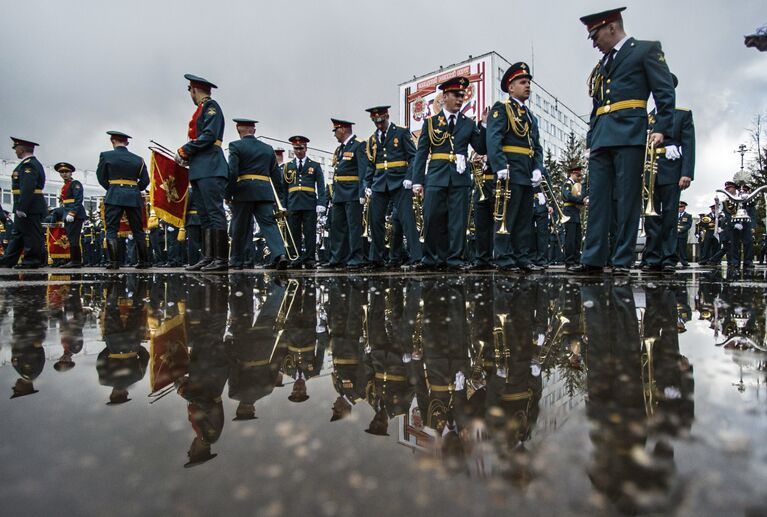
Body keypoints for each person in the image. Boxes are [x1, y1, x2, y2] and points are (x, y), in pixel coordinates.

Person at [571, 6, 676, 275]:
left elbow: (664, 92)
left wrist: (662, 127)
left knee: (628, 199)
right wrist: (590, 141)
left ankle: (622, 260)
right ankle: (593, 258)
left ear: (611, 28)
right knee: (597, 199)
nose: (594, 43)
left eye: (595, 36)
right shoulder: (602, 64)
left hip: (629, 134)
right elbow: (597, 105)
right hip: (602, 136)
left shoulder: (645, 50)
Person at [411, 76, 487, 270]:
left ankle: (455, 259)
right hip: (436, 176)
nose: (460, 99)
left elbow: (481, 147)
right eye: (456, 95)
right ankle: (430, 258)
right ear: (444, 97)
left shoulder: (468, 124)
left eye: (462, 95)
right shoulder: (430, 123)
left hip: (459, 178)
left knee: (458, 221)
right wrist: (417, 181)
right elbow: (421, 154)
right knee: (432, 219)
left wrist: (484, 126)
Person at [487, 62, 546, 272]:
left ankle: (522, 257)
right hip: (509, 171)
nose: (528, 86)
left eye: (529, 82)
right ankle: (503, 257)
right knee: (506, 216)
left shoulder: (530, 116)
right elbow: (493, 139)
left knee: (524, 219)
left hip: (527, 172)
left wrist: (538, 167)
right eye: (523, 82)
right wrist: (500, 165)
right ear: (511, 87)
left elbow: (536, 146)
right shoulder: (501, 109)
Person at [642, 73, 695, 272]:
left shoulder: (682, 114)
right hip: (650, 171)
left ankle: (668, 258)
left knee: (670, 216)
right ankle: (652, 257)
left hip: (672, 171)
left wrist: (686, 172)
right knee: (651, 216)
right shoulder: (648, 117)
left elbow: (689, 144)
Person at [176, 74, 229, 271]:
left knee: (214, 211)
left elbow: (209, 135)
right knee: (205, 214)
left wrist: (185, 150)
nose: (190, 94)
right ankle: (209, 256)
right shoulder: (201, 109)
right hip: (200, 167)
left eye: (190, 90)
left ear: (194, 90)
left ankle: (221, 258)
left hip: (211, 166)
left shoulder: (211, 106)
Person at [362, 105, 422, 269]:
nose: (379, 124)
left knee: (407, 219)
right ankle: (376, 258)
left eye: (381, 121)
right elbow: (371, 164)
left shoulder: (401, 132)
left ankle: (416, 257)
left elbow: (413, 156)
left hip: (400, 181)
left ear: (387, 116)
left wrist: (410, 177)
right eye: (375, 122)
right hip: (380, 183)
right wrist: (367, 184)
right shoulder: (372, 139)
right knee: (375, 220)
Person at [225, 118, 288, 271]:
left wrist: (228, 193)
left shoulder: (235, 146)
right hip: (264, 192)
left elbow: (233, 172)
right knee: (269, 225)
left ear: (238, 129)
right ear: (254, 130)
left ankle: (237, 260)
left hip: (243, 191)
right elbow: (276, 176)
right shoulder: (268, 148)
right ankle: (280, 254)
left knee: (240, 226)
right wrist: (277, 197)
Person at [95, 130, 150, 269]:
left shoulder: (106, 156)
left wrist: (112, 188)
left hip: (114, 194)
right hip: (133, 195)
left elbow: (101, 176)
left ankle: (114, 262)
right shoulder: (139, 159)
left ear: (112, 141)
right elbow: (145, 180)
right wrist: (134, 189)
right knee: (137, 229)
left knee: (112, 229)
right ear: (127, 143)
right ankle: (144, 261)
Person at [325, 118, 367, 270]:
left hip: (353, 192)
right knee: (337, 226)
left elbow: (363, 170)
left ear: (342, 130)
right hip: (339, 194)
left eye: (335, 131)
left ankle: (356, 257)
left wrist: (362, 192)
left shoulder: (359, 145)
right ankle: (337, 257)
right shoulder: (340, 149)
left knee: (354, 227)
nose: (335, 134)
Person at [0, 137, 47, 269]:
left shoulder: (29, 165)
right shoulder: (29, 163)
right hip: (26, 205)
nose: (15, 151)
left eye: (16, 148)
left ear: (22, 149)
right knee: (18, 234)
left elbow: (27, 188)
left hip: (30, 206)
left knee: (31, 234)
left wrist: (22, 207)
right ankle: (8, 260)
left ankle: (32, 260)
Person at [282, 135, 326, 269]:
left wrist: (321, 203)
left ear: (306, 148)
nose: (298, 151)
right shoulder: (287, 167)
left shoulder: (315, 166)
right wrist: (283, 205)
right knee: (293, 232)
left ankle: (310, 259)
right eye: (296, 148)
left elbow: (321, 186)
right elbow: (284, 189)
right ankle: (295, 258)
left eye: (301, 148)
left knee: (310, 232)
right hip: (293, 203)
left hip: (309, 203)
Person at [54, 162, 87, 268]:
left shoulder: (75, 183)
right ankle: (73, 259)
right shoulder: (65, 185)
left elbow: (78, 200)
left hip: (75, 214)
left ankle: (76, 260)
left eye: (66, 172)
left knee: (74, 238)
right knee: (71, 237)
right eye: (62, 172)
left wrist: (72, 213)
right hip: (67, 213)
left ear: (71, 172)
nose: (64, 174)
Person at [562, 166, 587, 267]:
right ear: (572, 174)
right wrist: (581, 200)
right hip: (569, 212)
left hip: (575, 212)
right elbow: (567, 196)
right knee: (570, 238)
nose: (579, 177)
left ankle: (576, 260)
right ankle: (569, 261)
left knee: (577, 238)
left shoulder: (576, 184)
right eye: (577, 175)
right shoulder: (567, 184)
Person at [676, 201, 692, 267]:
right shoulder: (674, 215)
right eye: (679, 207)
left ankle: (684, 261)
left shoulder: (688, 215)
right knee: (674, 249)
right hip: (675, 235)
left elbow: (688, 225)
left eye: (681, 207)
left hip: (683, 235)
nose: (680, 208)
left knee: (682, 249)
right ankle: (673, 261)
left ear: (684, 207)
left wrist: (681, 229)